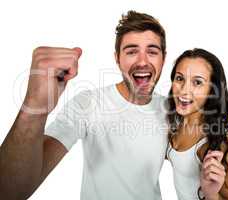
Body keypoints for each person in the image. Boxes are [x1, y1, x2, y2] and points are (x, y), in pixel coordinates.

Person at [0, 11, 169, 200]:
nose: (143, 61)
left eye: (152, 52)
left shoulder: (173, 110)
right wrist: (34, 108)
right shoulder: (88, 104)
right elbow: (10, 192)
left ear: (164, 58)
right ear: (117, 58)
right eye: (131, 51)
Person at [166, 48, 228, 200]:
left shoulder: (217, 142)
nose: (184, 90)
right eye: (179, 79)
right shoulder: (175, 121)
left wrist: (211, 193)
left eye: (197, 82)